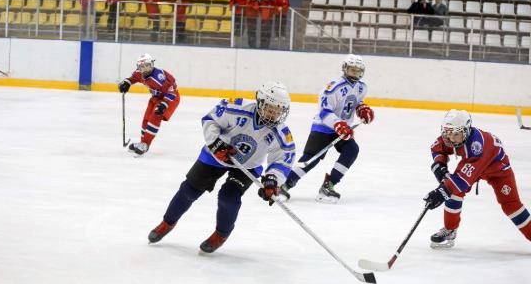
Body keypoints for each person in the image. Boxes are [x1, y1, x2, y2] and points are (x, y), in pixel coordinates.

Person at [147, 82, 295, 253]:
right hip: (216, 155)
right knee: (189, 190)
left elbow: (283, 159)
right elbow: (210, 120)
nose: (274, 113)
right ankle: (167, 223)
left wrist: (272, 180)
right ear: (260, 102)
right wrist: (216, 143)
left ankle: (221, 235)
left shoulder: (281, 133)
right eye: (270, 108)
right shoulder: (236, 107)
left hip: (247, 166)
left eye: (279, 110)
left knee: (228, 197)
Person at [423, 110, 531, 248]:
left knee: (511, 206)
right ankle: (450, 229)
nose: (450, 139)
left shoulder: (477, 147)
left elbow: (461, 181)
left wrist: (441, 193)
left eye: (455, 134)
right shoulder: (454, 136)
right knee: (453, 191)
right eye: (447, 133)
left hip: (497, 170)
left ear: (466, 131)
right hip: (475, 165)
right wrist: (439, 165)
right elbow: (437, 148)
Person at [279, 54, 374, 203]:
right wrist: (338, 124)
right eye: (352, 70)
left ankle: (328, 185)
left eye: (358, 70)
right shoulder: (333, 87)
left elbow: (356, 102)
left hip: (343, 130)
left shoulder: (362, 87)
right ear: (345, 69)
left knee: (352, 150)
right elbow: (324, 111)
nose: (355, 73)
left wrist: (362, 109)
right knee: (311, 159)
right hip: (323, 127)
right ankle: (285, 184)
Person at [118, 53, 180, 156]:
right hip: (156, 97)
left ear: (152, 64)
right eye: (142, 66)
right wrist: (127, 83)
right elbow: (133, 78)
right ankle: (142, 144)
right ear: (139, 67)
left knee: (156, 116)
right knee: (146, 119)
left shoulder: (159, 77)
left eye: (147, 65)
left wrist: (164, 103)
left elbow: (171, 90)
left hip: (170, 98)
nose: (145, 68)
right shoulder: (139, 73)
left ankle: (145, 144)